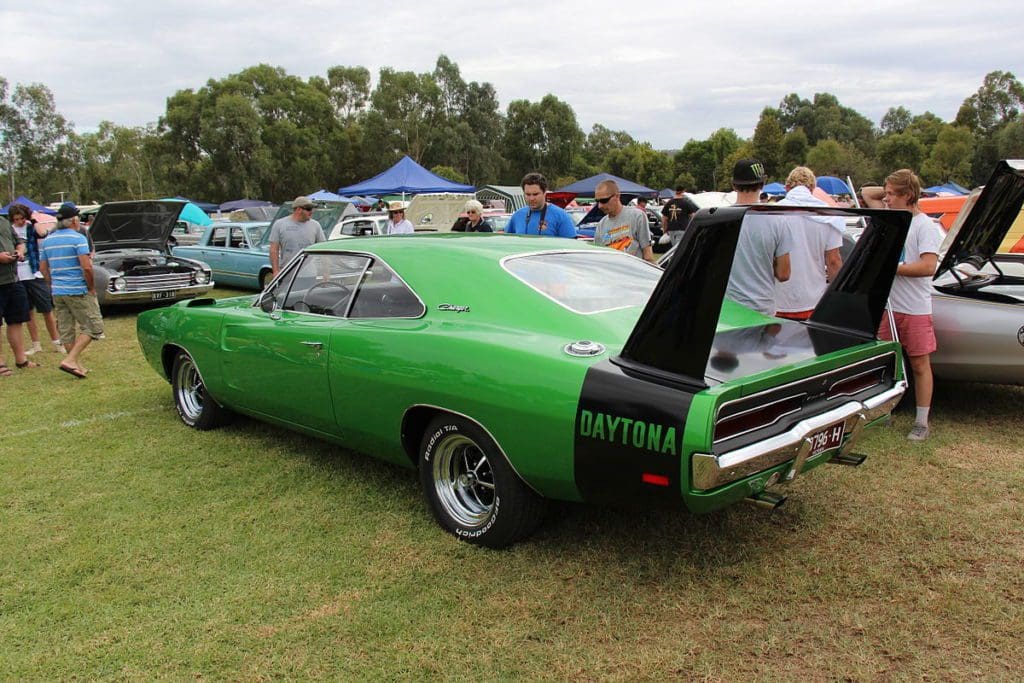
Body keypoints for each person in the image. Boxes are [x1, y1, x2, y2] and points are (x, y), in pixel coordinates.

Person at [862, 169, 944, 442]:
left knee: (919, 364)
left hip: (915, 308)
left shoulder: (925, 227)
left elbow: (928, 266)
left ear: (908, 196)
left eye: (892, 195)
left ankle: (921, 421)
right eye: (885, 194)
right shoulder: (895, 219)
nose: (885, 199)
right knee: (885, 361)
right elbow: (866, 193)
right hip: (890, 307)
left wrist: (893, 269)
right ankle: (882, 411)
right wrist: (889, 188)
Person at [39, 204, 102, 379]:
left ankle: (76, 366)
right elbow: (87, 267)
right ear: (74, 220)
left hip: (57, 291)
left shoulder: (48, 240)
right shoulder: (78, 238)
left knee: (66, 329)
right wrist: (90, 287)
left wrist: (53, 284)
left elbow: (43, 269)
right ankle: (71, 359)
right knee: (94, 327)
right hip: (77, 289)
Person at [773, 166, 844, 320]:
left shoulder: (771, 213)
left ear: (787, 188)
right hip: (814, 301)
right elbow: (833, 261)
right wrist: (837, 301)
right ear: (812, 188)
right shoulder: (828, 215)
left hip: (777, 301)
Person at [725, 159, 793, 315]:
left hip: (729, 309)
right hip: (763, 309)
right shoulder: (778, 219)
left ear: (733, 185)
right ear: (763, 184)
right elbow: (784, 274)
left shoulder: (720, 219)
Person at [8, 205, 62, 355]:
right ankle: (36, 344)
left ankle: (56, 341)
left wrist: (32, 220)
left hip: (35, 273)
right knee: (28, 312)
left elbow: (42, 234)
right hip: (18, 275)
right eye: (16, 219)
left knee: (46, 309)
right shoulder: (10, 230)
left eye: (21, 218)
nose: (19, 221)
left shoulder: (31, 227)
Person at [593, 179, 654, 262]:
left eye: (604, 200)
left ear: (617, 196)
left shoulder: (637, 216)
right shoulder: (601, 225)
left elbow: (648, 255)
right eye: (597, 201)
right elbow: (599, 259)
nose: (600, 206)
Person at [504, 172, 577, 238]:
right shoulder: (517, 215)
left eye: (535, 194)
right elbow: (506, 241)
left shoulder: (560, 216)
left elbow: (572, 246)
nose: (531, 198)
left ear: (545, 192)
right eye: (528, 194)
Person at [269, 196, 325, 277]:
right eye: (309, 209)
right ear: (299, 209)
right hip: (286, 274)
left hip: (309, 275)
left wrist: (326, 272)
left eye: (312, 209)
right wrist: (276, 271)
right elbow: (273, 250)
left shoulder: (316, 225)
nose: (311, 212)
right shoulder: (279, 224)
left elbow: (323, 249)